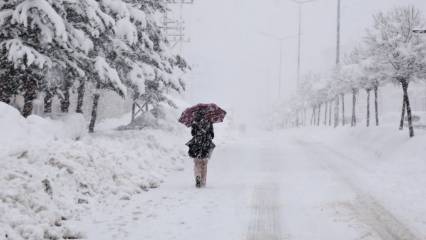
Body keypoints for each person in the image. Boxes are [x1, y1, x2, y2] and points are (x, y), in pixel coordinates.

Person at [186, 111, 215, 188]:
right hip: (206, 145)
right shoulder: (208, 121)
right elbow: (212, 135)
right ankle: (203, 181)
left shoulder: (194, 122)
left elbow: (193, 133)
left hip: (196, 145)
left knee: (197, 163)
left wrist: (196, 129)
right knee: (204, 164)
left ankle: (197, 175)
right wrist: (207, 133)